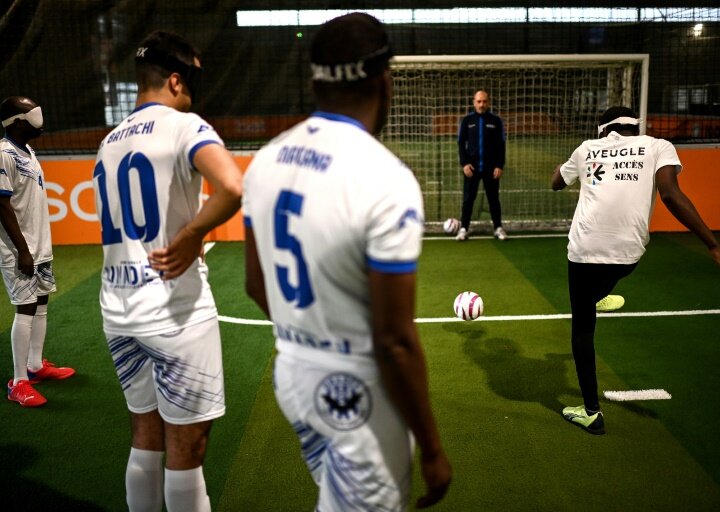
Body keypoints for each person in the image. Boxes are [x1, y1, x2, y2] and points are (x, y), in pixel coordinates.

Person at [242, 13, 451, 510]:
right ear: (385, 80)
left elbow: (255, 285)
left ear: (315, 81)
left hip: (292, 373)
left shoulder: (266, 159)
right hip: (355, 392)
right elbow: (395, 341)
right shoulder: (386, 178)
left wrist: (308, 335)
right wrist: (433, 449)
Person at [94, 31, 242, 511]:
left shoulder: (108, 142)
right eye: (191, 81)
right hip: (174, 310)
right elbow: (233, 188)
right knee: (187, 450)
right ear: (174, 80)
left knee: (145, 433)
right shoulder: (184, 126)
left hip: (118, 311)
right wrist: (193, 234)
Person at [551, 106, 720, 435]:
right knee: (610, 275)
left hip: (583, 251)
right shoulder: (657, 145)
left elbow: (556, 183)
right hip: (629, 254)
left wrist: (568, 169)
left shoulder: (587, 149)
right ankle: (598, 295)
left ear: (603, 129)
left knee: (582, 328)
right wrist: (713, 244)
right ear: (634, 127)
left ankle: (591, 413)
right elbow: (670, 194)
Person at [1, 96, 75, 408]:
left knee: (41, 302)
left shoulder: (27, 150)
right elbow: (1, 204)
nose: (39, 120)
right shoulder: (3, 154)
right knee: (26, 307)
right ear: (17, 122)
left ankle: (35, 366)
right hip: (20, 249)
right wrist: (22, 250)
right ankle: (18, 382)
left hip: (38, 245)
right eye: (32, 115)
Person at [456, 89, 507, 241]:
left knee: (493, 199)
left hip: (491, 169)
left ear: (488, 102)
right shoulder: (467, 121)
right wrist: (464, 163)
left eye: (484, 101)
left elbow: (501, 145)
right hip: (472, 168)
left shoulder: (496, 121)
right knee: (468, 200)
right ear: (474, 102)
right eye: (479, 101)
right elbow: (460, 144)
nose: (481, 104)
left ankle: (498, 228)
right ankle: (464, 228)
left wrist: (499, 165)